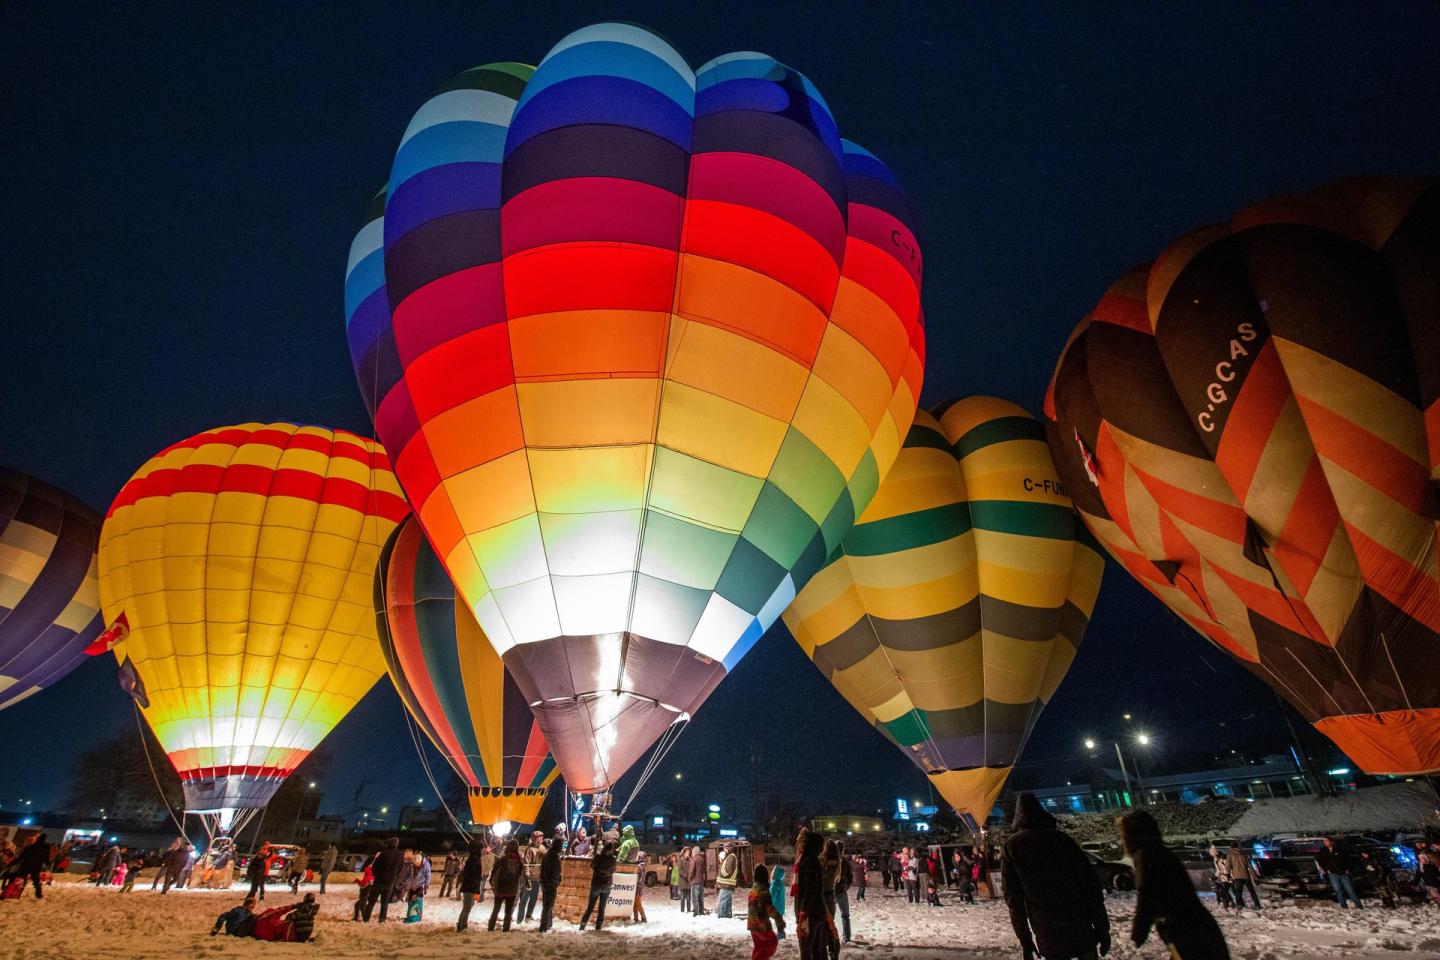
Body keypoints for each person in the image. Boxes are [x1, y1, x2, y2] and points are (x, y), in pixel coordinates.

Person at [1002, 793, 1111, 960]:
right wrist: (1102, 929)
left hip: (1047, 929)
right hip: (1078, 924)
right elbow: (1090, 888)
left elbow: (1013, 899)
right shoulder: (1063, 840)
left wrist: (1025, 939)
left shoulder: (1012, 847)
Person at [1120, 809, 1229, 960]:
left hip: (1186, 931)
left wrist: (1138, 933)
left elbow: (1148, 896)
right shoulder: (1160, 853)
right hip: (1195, 926)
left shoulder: (1147, 856)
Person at [796, 831, 836, 960]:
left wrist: (804, 910)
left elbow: (811, 889)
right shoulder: (814, 859)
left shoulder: (809, 860)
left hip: (811, 913)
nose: (822, 848)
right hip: (818, 911)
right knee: (817, 950)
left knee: (806, 950)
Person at [749, 863, 787, 960]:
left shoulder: (753, 889)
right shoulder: (763, 891)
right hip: (762, 925)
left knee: (759, 946)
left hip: (753, 924)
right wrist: (780, 921)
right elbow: (770, 909)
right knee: (771, 942)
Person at [579, 839, 618, 931]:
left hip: (596, 884)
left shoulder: (597, 857)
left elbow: (592, 866)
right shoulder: (613, 860)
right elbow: (614, 870)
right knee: (602, 909)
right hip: (606, 885)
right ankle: (598, 927)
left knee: (590, 908)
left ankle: (582, 926)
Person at [489, 838, 525, 931]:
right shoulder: (519, 860)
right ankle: (506, 929)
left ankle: (490, 928)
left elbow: (494, 871)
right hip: (512, 888)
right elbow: (521, 874)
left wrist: (491, 881)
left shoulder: (503, 859)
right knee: (508, 911)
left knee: (496, 909)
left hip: (501, 887)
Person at [1316, 837, 1362, 910]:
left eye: (1326, 841)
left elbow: (1348, 860)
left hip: (1343, 873)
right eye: (1323, 841)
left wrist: (1347, 869)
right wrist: (1326, 869)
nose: (1324, 842)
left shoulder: (1340, 849)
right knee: (1338, 890)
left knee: (1349, 889)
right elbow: (1319, 861)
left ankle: (1358, 905)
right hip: (1332, 874)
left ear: (1331, 842)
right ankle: (1344, 906)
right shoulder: (1323, 851)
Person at [369, 837, 405, 922]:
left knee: (371, 901)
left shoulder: (384, 853)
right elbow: (400, 869)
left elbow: (374, 867)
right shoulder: (400, 855)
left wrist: (376, 875)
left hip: (379, 881)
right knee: (384, 903)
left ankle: (366, 917)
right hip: (390, 882)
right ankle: (382, 919)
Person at [5, 833, 51, 899]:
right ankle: (38, 894)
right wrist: (47, 864)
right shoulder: (45, 849)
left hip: (26, 866)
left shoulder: (31, 847)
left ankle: (16, 894)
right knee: (36, 881)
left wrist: (11, 863)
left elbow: (21, 857)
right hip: (36, 867)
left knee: (21, 880)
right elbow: (46, 859)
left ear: (38, 839)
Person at [456, 840, 486, 932]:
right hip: (470, 886)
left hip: (470, 886)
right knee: (467, 907)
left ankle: (460, 924)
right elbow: (473, 875)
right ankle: (462, 926)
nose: (483, 851)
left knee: (467, 906)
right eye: (481, 849)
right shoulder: (474, 859)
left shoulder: (473, 858)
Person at [1225, 843, 1261, 910]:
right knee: (1252, 891)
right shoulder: (1244, 854)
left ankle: (1239, 905)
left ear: (1231, 847)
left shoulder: (1230, 854)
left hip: (1237, 876)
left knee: (1238, 892)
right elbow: (1250, 867)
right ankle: (1257, 905)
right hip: (1246, 876)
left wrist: (1228, 874)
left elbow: (1228, 865)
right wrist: (1255, 877)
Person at [518, 831, 544, 922]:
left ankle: (528, 916)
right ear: (534, 838)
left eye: (542, 837)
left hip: (537, 877)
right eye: (539, 838)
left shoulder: (542, 848)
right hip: (529, 877)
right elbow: (526, 863)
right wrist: (527, 874)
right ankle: (520, 918)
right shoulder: (529, 849)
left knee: (534, 898)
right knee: (525, 898)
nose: (541, 839)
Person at [538, 836, 562, 933]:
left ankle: (548, 924)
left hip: (546, 883)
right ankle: (543, 926)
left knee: (547, 905)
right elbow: (555, 872)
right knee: (548, 906)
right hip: (550, 884)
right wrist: (555, 883)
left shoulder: (548, 854)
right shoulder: (554, 857)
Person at [832, 839, 852, 946]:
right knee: (830, 915)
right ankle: (831, 936)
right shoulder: (830, 861)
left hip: (840, 891)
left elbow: (850, 877)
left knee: (844, 915)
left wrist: (846, 886)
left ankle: (846, 937)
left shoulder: (845, 862)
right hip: (831, 891)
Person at [717, 843, 740, 918]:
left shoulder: (730, 857)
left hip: (726, 884)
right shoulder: (731, 856)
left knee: (722, 901)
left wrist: (721, 863)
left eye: (725, 848)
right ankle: (727, 915)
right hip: (728, 884)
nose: (724, 849)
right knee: (727, 901)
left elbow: (727, 870)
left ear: (728, 848)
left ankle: (722, 916)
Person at [352, 849, 376, 921]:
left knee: (361, 905)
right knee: (359, 905)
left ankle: (364, 919)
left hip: (365, 892)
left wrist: (357, 881)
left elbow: (364, 883)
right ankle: (358, 918)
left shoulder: (369, 870)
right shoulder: (372, 869)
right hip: (368, 891)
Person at [770, 864, 789, 940]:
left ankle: (781, 933)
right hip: (780, 906)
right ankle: (781, 932)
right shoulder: (781, 883)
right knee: (779, 919)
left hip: (776, 906)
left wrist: (770, 903)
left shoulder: (775, 883)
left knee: (778, 920)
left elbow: (772, 894)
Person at [689, 842, 708, 915]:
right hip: (701, 881)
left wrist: (689, 878)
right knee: (700, 898)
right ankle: (701, 911)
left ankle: (696, 912)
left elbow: (691, 871)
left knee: (694, 898)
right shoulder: (702, 859)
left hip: (694, 882)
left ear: (694, 852)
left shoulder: (694, 859)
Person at [633, 845, 648, 923]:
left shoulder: (641, 865)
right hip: (637, 886)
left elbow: (638, 875)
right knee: (635, 904)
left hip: (638, 887)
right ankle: (636, 919)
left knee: (638, 903)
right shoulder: (640, 864)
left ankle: (644, 918)